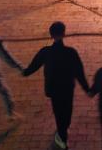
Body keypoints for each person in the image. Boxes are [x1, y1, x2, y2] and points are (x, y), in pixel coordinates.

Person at [23, 21, 90, 149]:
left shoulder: (45, 51)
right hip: (67, 88)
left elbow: (34, 65)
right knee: (67, 110)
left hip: (53, 89)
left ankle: (62, 137)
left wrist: (25, 72)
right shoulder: (71, 52)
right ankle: (63, 132)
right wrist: (87, 89)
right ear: (64, 34)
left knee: (58, 112)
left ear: (51, 35)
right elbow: (79, 73)